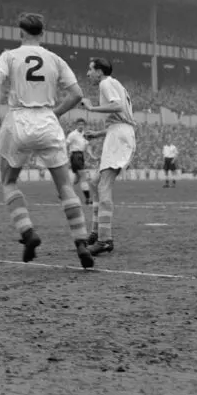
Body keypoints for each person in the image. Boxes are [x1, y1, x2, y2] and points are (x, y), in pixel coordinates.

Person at [0, 12, 95, 269]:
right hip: (47, 122)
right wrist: (54, 113)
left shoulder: (9, 56)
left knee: (9, 181)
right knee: (66, 187)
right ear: (42, 34)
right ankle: (80, 242)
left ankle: (28, 233)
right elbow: (77, 94)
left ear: (20, 32)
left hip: (18, 121)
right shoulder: (55, 59)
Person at [80, 57, 136, 256]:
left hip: (120, 136)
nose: (88, 73)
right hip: (117, 133)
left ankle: (105, 239)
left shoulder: (106, 83)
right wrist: (97, 134)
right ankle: (96, 233)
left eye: (90, 69)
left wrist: (91, 108)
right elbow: (120, 118)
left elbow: (117, 107)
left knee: (104, 185)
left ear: (100, 71)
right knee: (95, 182)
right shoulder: (115, 84)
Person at [65, 118, 93, 204]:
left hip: (81, 156)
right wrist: (66, 156)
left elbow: (87, 147)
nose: (81, 126)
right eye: (79, 124)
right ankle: (88, 199)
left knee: (77, 178)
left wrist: (92, 155)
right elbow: (66, 144)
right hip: (75, 156)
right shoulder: (72, 134)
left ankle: (64, 192)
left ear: (84, 126)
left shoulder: (85, 135)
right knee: (84, 177)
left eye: (82, 124)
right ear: (76, 125)